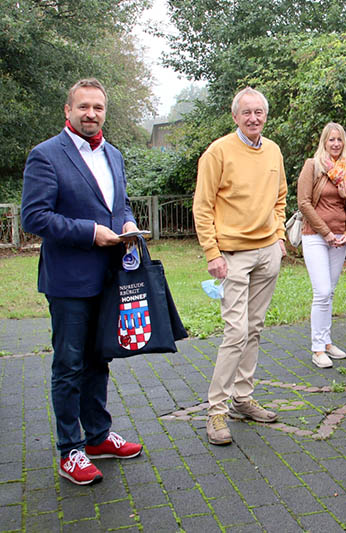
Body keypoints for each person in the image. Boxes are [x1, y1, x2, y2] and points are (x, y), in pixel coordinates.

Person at [21, 78, 143, 485]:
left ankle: (97, 437)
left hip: (109, 277)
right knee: (69, 365)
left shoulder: (115, 155)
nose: (91, 114)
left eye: (98, 108)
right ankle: (69, 450)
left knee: (99, 360)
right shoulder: (45, 156)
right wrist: (91, 232)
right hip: (69, 282)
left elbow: (120, 202)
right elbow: (35, 217)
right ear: (68, 111)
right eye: (84, 107)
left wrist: (126, 221)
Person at [193, 87, 286, 446]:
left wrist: (279, 237)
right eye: (246, 112)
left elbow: (280, 197)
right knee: (235, 332)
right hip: (232, 256)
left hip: (267, 252)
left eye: (259, 112)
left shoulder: (274, 151)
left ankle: (242, 398)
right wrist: (211, 253)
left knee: (255, 328)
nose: (253, 118)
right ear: (235, 117)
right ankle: (215, 411)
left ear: (266, 115)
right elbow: (202, 205)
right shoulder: (218, 152)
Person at [297, 123, 346, 369]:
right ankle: (317, 348)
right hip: (315, 236)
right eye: (331, 140)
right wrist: (325, 233)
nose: (335, 144)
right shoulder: (312, 167)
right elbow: (303, 203)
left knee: (329, 293)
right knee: (321, 292)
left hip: (339, 239)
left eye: (339, 140)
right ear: (324, 142)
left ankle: (327, 342)